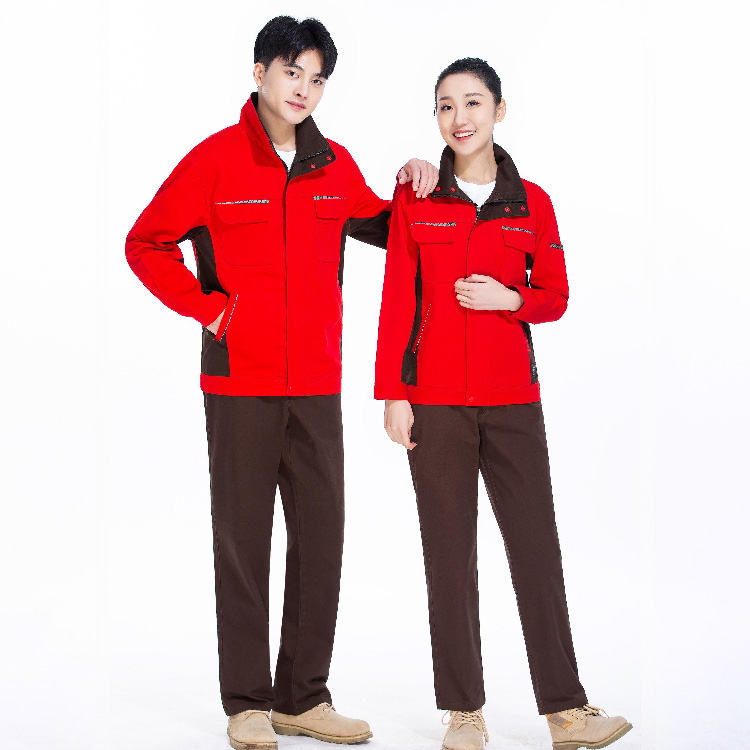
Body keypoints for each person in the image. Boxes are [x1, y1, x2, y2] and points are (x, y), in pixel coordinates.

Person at [125, 16, 438, 750]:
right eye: (292, 72)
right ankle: (247, 703)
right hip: (239, 383)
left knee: (322, 538)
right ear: (260, 71)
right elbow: (145, 243)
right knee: (244, 542)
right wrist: (212, 310)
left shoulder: (333, 166)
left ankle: (303, 697)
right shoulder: (214, 161)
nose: (304, 89)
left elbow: (391, 227)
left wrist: (420, 177)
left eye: (317, 78)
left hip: (317, 383)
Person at [374, 58, 632, 750]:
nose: (459, 118)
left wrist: (509, 297)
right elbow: (397, 296)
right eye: (445, 106)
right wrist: (393, 393)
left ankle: (566, 712)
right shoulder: (417, 196)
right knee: (448, 555)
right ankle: (464, 712)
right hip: (435, 404)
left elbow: (556, 295)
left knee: (536, 550)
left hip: (514, 401)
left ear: (499, 110)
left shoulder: (532, 203)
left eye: (472, 103)